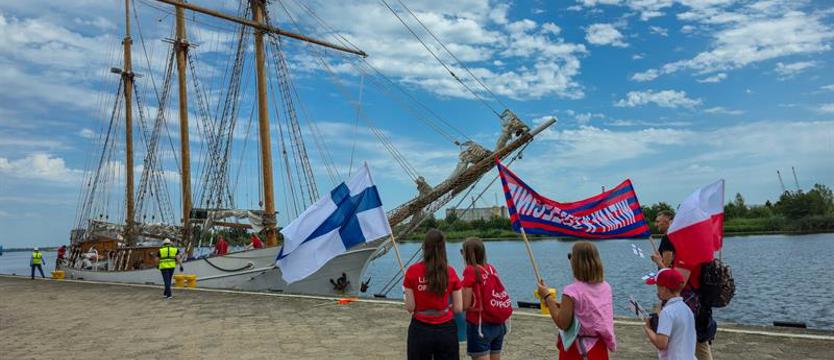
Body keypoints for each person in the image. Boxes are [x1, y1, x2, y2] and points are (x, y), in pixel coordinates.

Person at [650, 210, 716, 360]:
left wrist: (659, 263)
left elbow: (678, 281)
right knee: (695, 339)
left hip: (688, 300)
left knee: (696, 341)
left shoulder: (686, 250)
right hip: (698, 298)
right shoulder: (698, 244)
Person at [537, 241, 616, 359]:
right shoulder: (606, 287)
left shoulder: (571, 291)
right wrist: (558, 305)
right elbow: (588, 310)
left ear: (577, 262)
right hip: (599, 347)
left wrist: (547, 297)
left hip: (578, 350)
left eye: (570, 256)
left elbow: (562, 323)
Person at [403, 229, 463, 360]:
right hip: (446, 328)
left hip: (420, 329)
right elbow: (458, 308)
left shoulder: (412, 271)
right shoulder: (450, 272)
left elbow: (410, 307)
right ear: (443, 248)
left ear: (425, 247)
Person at [461, 237, 510, 360]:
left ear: (467, 253)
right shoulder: (490, 268)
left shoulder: (470, 270)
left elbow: (465, 304)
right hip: (498, 324)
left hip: (480, 326)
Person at [644, 268, 697, 360]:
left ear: (664, 289)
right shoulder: (687, 309)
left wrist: (648, 329)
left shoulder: (667, 312)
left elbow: (661, 344)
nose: (657, 291)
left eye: (658, 287)